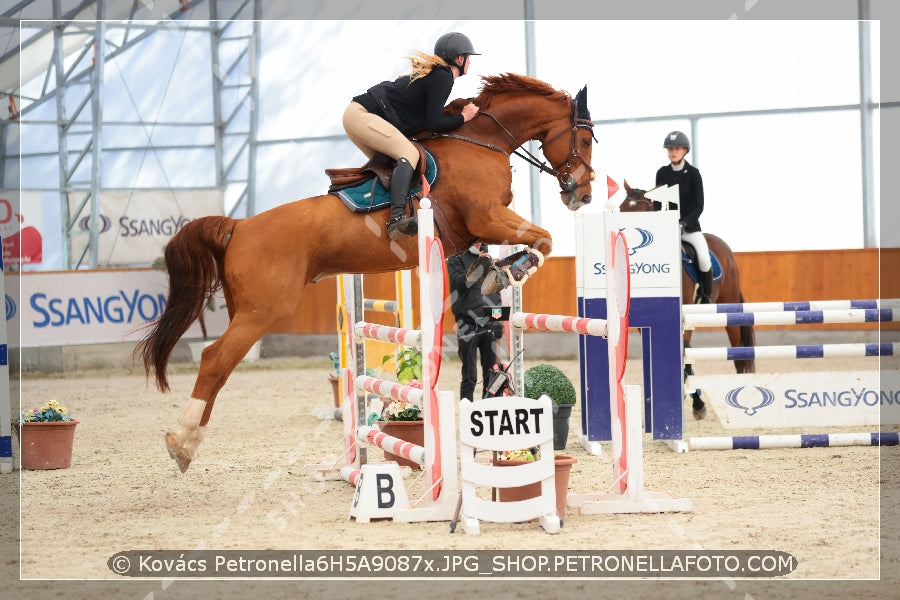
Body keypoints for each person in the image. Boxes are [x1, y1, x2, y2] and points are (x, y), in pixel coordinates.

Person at [343, 32, 481, 240]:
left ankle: (372, 214)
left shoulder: (437, 74)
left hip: (356, 116)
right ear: (460, 59)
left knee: (392, 166)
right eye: (468, 57)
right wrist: (463, 117)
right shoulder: (443, 76)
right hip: (362, 116)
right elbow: (434, 123)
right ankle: (396, 219)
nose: (470, 61)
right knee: (409, 153)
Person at [655, 130, 712, 303]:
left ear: (685, 150)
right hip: (668, 228)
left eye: (677, 148)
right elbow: (658, 204)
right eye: (670, 148)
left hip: (690, 229)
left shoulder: (694, 174)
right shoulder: (662, 173)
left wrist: (684, 223)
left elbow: (699, 205)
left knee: (703, 257)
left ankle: (705, 294)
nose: (673, 151)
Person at [447, 243, 505, 401]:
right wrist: (478, 265)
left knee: (491, 373)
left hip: (490, 324)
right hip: (467, 324)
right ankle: (467, 411)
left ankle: (490, 410)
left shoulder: (489, 258)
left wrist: (498, 320)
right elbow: (459, 283)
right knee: (469, 375)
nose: (481, 243)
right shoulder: (456, 258)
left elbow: (495, 291)